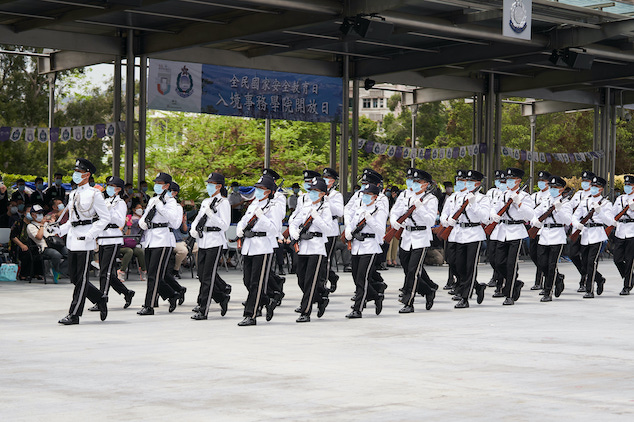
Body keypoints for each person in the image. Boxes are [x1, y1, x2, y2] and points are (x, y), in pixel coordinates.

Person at [56, 158, 110, 325]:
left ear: (87, 175)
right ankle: (100, 298)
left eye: (79, 172)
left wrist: (92, 234)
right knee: (74, 278)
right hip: (73, 239)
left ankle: (74, 314)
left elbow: (105, 218)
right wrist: (59, 230)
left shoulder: (95, 194)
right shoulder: (73, 193)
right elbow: (72, 219)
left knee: (82, 279)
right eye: (75, 172)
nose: (75, 175)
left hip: (85, 240)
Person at [236, 174, 284, 326]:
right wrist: (239, 229)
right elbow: (244, 221)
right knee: (247, 280)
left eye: (261, 188)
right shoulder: (253, 204)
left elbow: (275, 229)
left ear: (269, 191)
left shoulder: (273, 206)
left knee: (257, 282)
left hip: (263, 246)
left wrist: (261, 217)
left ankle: (251, 315)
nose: (257, 191)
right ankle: (268, 299)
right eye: (256, 188)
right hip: (249, 245)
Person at [391, 168, 439, 313]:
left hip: (421, 237)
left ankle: (408, 302)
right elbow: (395, 210)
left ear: (426, 184)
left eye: (419, 182)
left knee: (413, 271)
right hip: (407, 236)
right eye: (414, 181)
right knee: (407, 269)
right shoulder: (405, 194)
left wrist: (419, 208)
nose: (415, 184)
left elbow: (430, 220)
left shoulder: (430, 199)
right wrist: (394, 220)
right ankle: (428, 290)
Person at [441, 170, 490, 309]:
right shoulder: (455, 197)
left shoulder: (482, 199)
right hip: (456, 233)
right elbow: (446, 212)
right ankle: (477, 286)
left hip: (473, 234)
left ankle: (465, 297)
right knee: (455, 264)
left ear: (478, 184)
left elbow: (485, 218)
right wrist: (446, 220)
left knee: (469, 267)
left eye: (470, 181)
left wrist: (473, 203)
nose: (466, 183)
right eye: (465, 181)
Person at [136, 172, 182, 316]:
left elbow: (174, 222)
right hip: (150, 239)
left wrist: (160, 207)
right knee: (152, 273)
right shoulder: (153, 200)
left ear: (167, 186)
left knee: (155, 275)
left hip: (163, 239)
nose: (156, 185)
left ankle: (149, 305)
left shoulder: (170, 202)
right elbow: (145, 217)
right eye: (156, 183)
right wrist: (142, 222)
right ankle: (172, 294)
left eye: (159, 183)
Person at [289, 176, 332, 323]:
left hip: (317, 246)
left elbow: (328, 228)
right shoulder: (306, 206)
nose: (312, 193)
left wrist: (317, 218)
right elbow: (294, 222)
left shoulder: (325, 208)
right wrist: (293, 232)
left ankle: (305, 311)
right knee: (301, 279)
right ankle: (320, 298)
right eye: (311, 190)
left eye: (316, 191)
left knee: (310, 281)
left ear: (322, 194)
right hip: (303, 246)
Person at [489, 168, 535, 306]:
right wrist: (494, 215)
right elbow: (494, 207)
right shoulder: (502, 194)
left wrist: (518, 203)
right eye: (507, 179)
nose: (508, 181)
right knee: (497, 262)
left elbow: (530, 215)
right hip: (501, 230)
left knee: (511, 264)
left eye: (511, 179)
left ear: (518, 181)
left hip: (516, 231)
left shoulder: (525, 196)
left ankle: (509, 294)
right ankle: (515, 282)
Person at [190, 173, 232, 320]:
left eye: (211, 183)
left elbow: (225, 225)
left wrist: (212, 215)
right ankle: (221, 297)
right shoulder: (206, 201)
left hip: (215, 241)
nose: (208, 186)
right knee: (201, 275)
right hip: (203, 241)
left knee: (208, 276)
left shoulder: (223, 203)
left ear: (219, 186)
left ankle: (203, 309)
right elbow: (198, 218)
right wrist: (194, 228)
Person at [90, 176, 135, 310]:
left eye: (112, 186)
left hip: (113, 238)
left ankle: (101, 300)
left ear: (118, 189)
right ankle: (127, 292)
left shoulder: (120, 203)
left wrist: (108, 210)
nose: (108, 188)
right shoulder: (106, 201)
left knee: (106, 272)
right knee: (107, 271)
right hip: (104, 237)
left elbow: (121, 222)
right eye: (108, 185)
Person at [344, 183, 387, 319]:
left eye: (368, 195)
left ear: (375, 197)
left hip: (369, 246)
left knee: (362, 278)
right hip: (356, 246)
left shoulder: (378, 211)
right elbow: (351, 223)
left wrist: (370, 219)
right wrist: (348, 233)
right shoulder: (359, 208)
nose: (365, 197)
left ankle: (358, 309)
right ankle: (376, 296)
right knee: (356, 277)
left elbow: (381, 231)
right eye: (364, 194)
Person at [531, 176, 572, 302]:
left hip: (557, 235)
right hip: (544, 234)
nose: (552, 189)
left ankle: (548, 291)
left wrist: (558, 209)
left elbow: (568, 221)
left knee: (551, 265)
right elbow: (535, 213)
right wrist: (535, 222)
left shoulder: (566, 203)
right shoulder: (545, 200)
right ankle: (558, 279)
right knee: (542, 263)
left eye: (555, 187)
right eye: (551, 187)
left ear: (561, 189)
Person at [571, 176, 613, 298]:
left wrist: (600, 212)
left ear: (601, 189)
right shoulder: (585, 201)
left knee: (591, 262)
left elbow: (610, 221)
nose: (593, 188)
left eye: (596, 187)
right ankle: (599, 279)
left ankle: (589, 289)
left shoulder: (606, 203)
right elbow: (575, 216)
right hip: (585, 234)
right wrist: (577, 224)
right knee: (584, 263)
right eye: (592, 186)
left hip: (597, 234)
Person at [26, 204, 68, 283]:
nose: (41, 215)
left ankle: (59, 270)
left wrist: (53, 223)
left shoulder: (46, 224)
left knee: (69, 253)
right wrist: (41, 225)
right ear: (32, 215)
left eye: (41, 213)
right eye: (38, 213)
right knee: (56, 255)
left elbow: (56, 234)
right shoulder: (30, 226)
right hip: (44, 248)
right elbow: (39, 236)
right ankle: (56, 270)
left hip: (55, 244)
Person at [568, 170, 595, 292]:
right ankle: (592, 275)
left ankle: (584, 279)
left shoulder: (595, 196)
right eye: (583, 181)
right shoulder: (578, 194)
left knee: (586, 258)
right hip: (577, 229)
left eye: (587, 181)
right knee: (572, 254)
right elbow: (569, 207)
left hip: (588, 231)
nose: (584, 183)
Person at [528, 171, 551, 291]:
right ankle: (554, 277)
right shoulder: (534, 196)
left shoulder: (550, 196)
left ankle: (540, 281)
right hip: (534, 228)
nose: (541, 183)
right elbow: (530, 211)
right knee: (533, 254)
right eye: (540, 180)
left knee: (542, 257)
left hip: (544, 229)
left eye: (543, 181)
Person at [322, 167, 344, 293]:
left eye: (328, 178)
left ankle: (324, 283)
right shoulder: (318, 192)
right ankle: (332, 276)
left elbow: (339, 212)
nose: (326, 180)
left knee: (326, 259)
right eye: (324, 178)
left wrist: (327, 199)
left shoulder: (336, 195)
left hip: (330, 229)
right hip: (318, 229)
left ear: (333, 181)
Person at [612, 175, 634, 295]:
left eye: (630, 185)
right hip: (620, 230)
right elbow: (613, 212)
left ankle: (627, 285)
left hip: (632, 230)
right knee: (617, 259)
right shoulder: (620, 198)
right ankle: (631, 277)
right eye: (626, 185)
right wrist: (613, 221)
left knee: (629, 260)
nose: (627, 187)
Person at [485, 170, 504, 289]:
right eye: (498, 180)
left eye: (502, 181)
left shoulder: (508, 193)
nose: (499, 183)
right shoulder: (491, 192)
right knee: (491, 255)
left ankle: (498, 277)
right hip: (491, 225)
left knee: (500, 256)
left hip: (503, 226)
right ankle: (496, 274)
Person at [118, 203, 147, 281]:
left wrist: (129, 226)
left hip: (126, 244)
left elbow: (127, 236)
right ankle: (122, 271)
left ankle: (143, 270)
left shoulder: (126, 221)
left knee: (140, 251)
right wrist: (123, 224)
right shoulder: (115, 221)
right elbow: (118, 231)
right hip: (118, 246)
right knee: (129, 251)